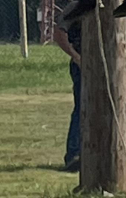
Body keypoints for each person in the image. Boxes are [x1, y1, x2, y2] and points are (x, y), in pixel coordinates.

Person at [51, 13, 83, 172]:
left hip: (106, 67)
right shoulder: (76, 8)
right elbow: (59, 34)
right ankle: (74, 155)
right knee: (81, 109)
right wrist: (76, 57)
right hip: (81, 67)